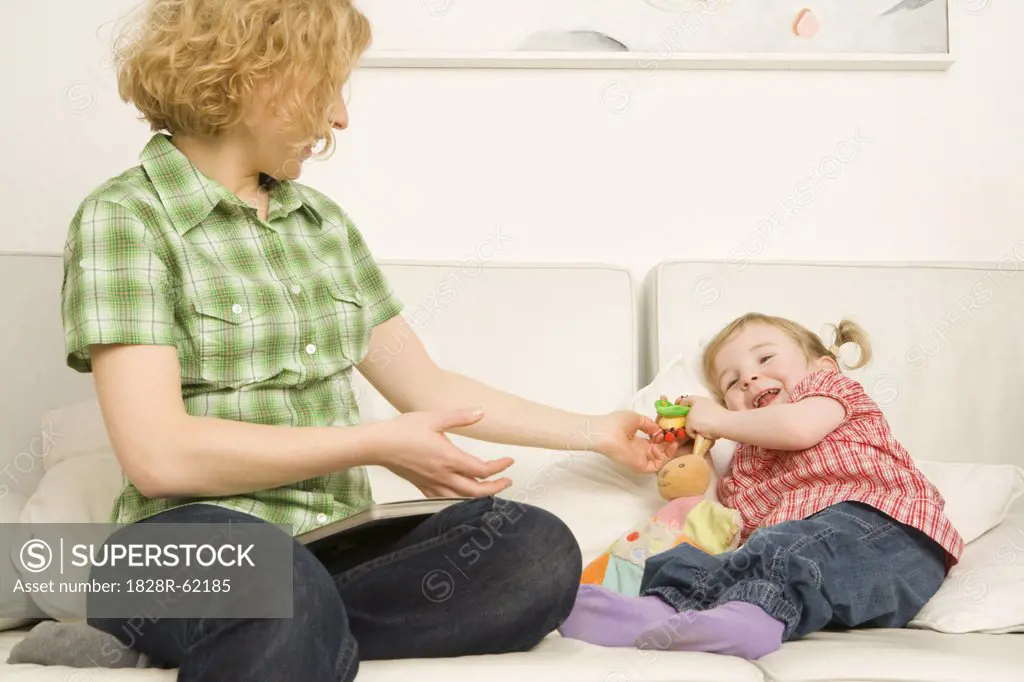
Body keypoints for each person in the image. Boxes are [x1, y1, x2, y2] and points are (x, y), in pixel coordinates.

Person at [60, 1, 670, 680]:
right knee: (272, 577)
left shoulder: (321, 225)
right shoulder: (125, 218)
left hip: (333, 549)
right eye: (326, 89)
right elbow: (160, 457)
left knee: (533, 549)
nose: (339, 118)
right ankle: (267, 623)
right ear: (259, 75)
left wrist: (598, 431)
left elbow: (429, 389)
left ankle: (294, 632)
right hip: (179, 550)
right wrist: (377, 442)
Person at [558, 312, 964, 659]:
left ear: (823, 366)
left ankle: (749, 617)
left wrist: (716, 418)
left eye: (766, 358)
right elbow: (723, 522)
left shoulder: (829, 392)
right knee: (722, 559)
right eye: (731, 383)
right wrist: (691, 456)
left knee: (782, 548)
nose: (749, 378)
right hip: (827, 585)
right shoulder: (745, 465)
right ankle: (662, 611)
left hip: (887, 534)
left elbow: (798, 428)